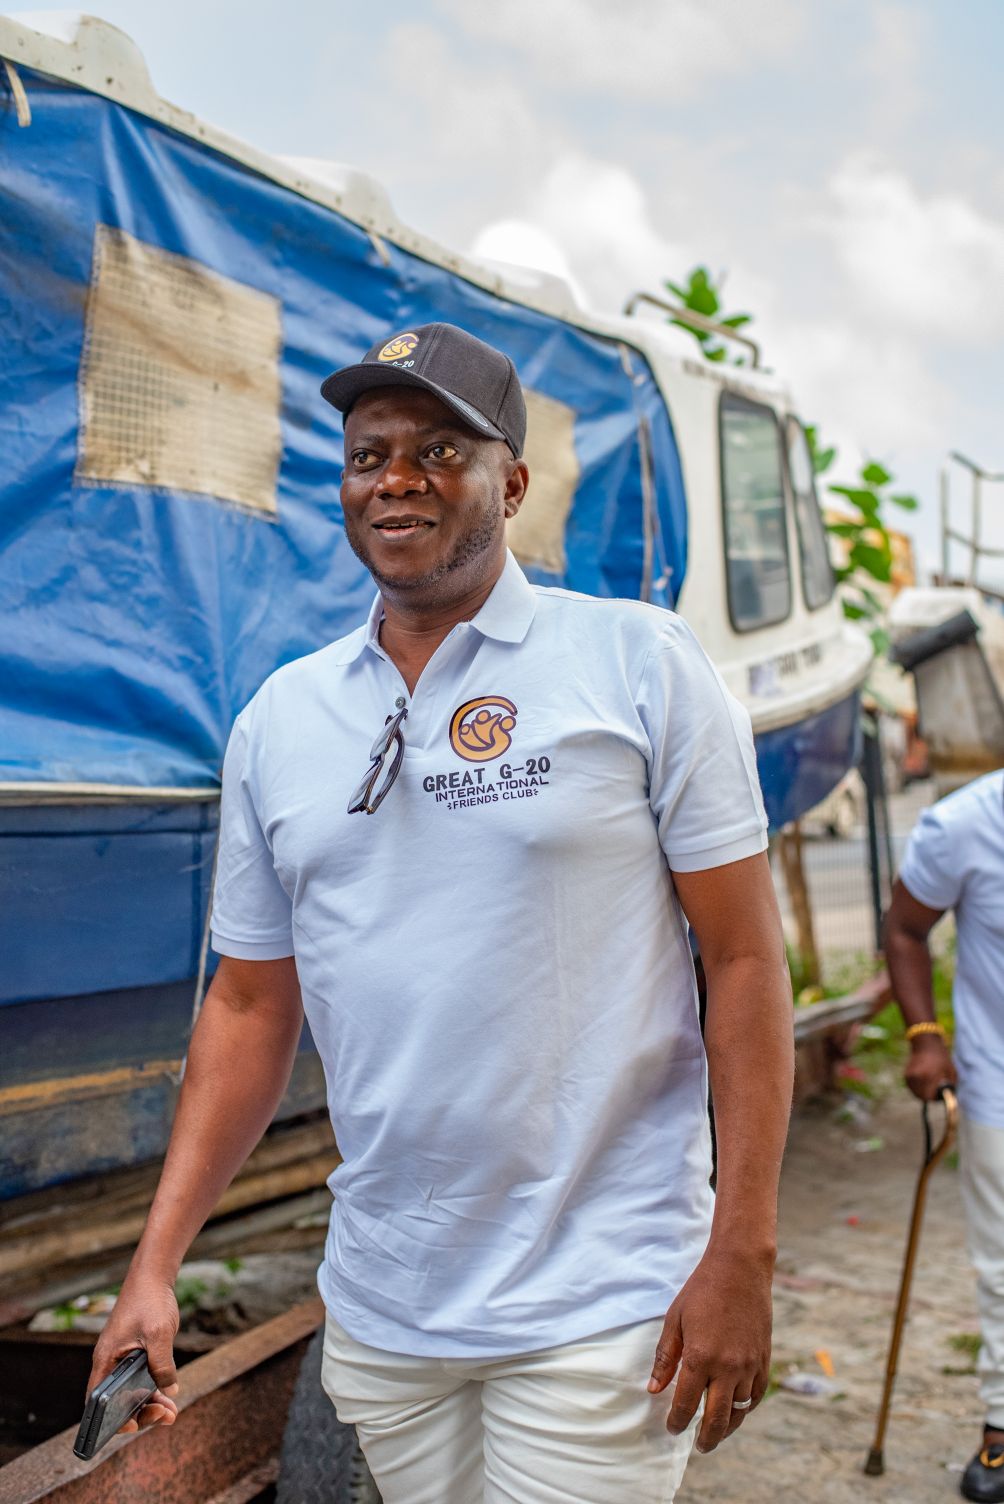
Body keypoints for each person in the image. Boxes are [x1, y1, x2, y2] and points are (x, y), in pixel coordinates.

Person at [88, 322, 794, 1503]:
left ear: (510, 484)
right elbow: (251, 1006)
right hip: (387, 1308)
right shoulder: (280, 719)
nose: (396, 479)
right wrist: (153, 1265)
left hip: (601, 1296)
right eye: (368, 455)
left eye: (437, 451)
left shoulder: (636, 664)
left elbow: (743, 962)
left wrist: (742, 1248)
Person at [884, 770, 1004, 1504]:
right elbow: (904, 928)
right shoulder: (964, 824)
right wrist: (925, 1036)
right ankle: (1003, 1424)